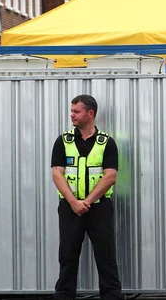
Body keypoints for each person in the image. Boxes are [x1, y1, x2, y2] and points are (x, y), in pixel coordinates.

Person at [50, 94, 124, 300]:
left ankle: (112, 295)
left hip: (99, 208)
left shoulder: (106, 143)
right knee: (67, 255)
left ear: (90, 114)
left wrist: (86, 202)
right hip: (69, 208)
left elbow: (110, 176)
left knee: (106, 256)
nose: (71, 115)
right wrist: (74, 203)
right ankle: (64, 295)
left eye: (76, 111)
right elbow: (57, 173)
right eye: (71, 110)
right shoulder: (63, 141)